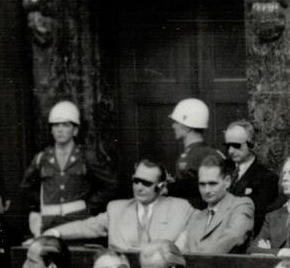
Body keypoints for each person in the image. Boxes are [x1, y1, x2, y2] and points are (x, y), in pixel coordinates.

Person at [47, 159, 192, 250]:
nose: (139, 187)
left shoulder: (179, 208)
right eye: (136, 181)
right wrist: (53, 233)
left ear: (160, 187)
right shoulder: (117, 209)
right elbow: (87, 226)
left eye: (146, 183)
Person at [19, 100, 115, 235]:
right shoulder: (42, 158)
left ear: (75, 130)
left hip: (79, 223)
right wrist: (44, 205)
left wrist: (88, 208)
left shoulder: (86, 157)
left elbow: (109, 185)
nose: (60, 129)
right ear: (51, 130)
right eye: (56, 125)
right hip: (48, 223)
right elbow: (26, 188)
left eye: (65, 125)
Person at [176, 155, 255, 254]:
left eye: (212, 184)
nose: (207, 190)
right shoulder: (196, 217)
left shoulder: (242, 205)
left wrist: (198, 261)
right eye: (202, 184)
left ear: (227, 181)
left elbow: (234, 236)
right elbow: (181, 250)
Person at [168, 98, 222, 207]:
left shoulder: (200, 154)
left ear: (187, 127)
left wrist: (171, 187)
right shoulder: (204, 152)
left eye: (176, 122)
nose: (173, 126)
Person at [223, 120, 280, 221]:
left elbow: (259, 215)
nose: (230, 151)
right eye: (228, 146)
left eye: (236, 145)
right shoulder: (222, 170)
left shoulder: (267, 178)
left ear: (251, 143)